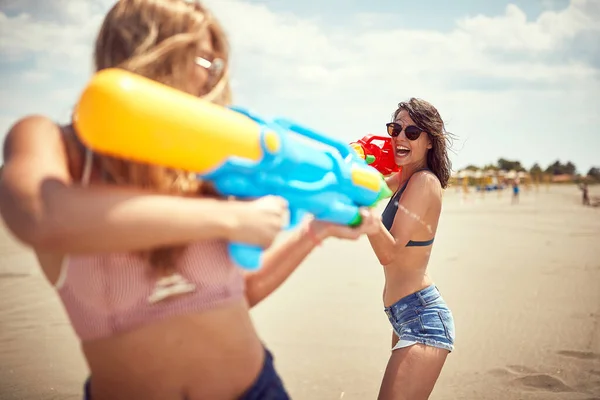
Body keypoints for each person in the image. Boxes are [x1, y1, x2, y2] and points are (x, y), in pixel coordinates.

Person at [0, 1, 381, 399]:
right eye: (204, 59)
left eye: (218, 65)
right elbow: (39, 215)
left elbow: (235, 295)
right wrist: (228, 219)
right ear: (150, 51)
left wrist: (313, 232)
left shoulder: (204, 166)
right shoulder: (54, 145)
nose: (212, 78)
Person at [366, 98, 456, 400]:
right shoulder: (404, 179)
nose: (401, 138)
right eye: (396, 129)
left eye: (412, 133)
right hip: (403, 314)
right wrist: (357, 158)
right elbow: (371, 185)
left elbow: (388, 252)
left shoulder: (424, 182)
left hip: (423, 320)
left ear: (430, 141)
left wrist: (361, 212)